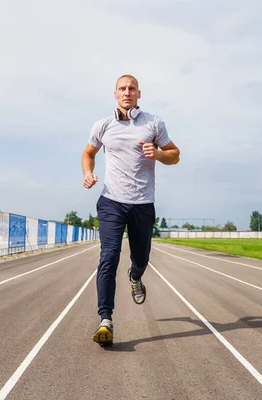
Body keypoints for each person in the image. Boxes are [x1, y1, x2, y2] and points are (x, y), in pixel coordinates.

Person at [81, 74, 180, 347]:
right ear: (115, 94)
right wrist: (88, 173)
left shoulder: (153, 123)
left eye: (132, 88)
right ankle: (105, 320)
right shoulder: (103, 125)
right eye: (122, 89)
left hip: (142, 204)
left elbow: (175, 154)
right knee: (109, 256)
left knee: (141, 258)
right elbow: (88, 153)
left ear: (139, 94)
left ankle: (135, 276)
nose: (127, 92)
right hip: (111, 201)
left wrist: (159, 154)